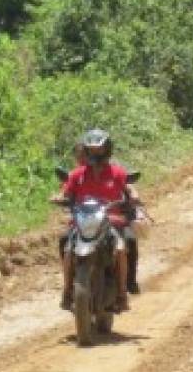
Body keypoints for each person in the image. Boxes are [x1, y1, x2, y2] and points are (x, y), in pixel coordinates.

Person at [53, 128, 141, 312]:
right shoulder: (78, 174)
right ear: (85, 151)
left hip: (112, 219)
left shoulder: (117, 172)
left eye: (99, 150)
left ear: (107, 149)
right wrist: (59, 197)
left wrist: (133, 196)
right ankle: (67, 290)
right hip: (83, 220)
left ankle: (123, 292)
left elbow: (129, 187)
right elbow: (66, 191)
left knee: (125, 244)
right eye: (91, 150)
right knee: (65, 243)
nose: (95, 154)